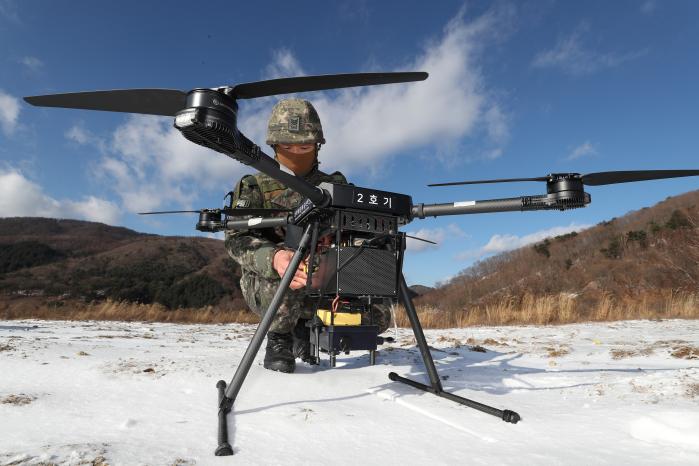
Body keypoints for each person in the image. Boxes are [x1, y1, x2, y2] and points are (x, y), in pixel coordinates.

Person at [225, 99, 391, 373]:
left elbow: (356, 230)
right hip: (273, 283)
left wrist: (365, 244)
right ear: (274, 147)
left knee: (377, 314)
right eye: (287, 147)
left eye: (304, 147)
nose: (296, 153)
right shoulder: (254, 186)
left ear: (317, 147)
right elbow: (235, 240)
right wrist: (275, 257)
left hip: (327, 277)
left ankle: (308, 327)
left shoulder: (334, 186)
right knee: (290, 269)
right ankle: (279, 337)